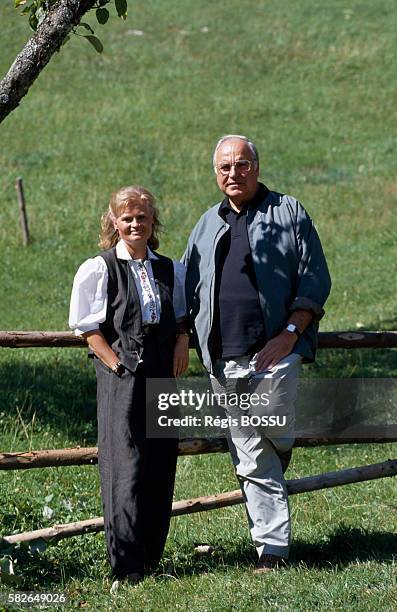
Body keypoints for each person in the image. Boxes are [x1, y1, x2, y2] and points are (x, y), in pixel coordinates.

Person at [183, 135, 331, 573]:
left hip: (278, 349)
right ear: (216, 174)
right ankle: (273, 549)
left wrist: (290, 332)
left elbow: (315, 277)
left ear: (257, 167)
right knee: (250, 453)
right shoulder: (206, 224)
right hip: (224, 356)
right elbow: (187, 287)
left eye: (242, 165)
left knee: (269, 429)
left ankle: (280, 447)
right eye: (225, 167)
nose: (234, 173)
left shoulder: (289, 212)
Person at [69, 185, 189, 583]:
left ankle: (152, 558)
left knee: (161, 461)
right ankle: (127, 566)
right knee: (127, 464)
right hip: (123, 378)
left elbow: (182, 314)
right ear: (114, 223)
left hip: (163, 377)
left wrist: (182, 340)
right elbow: (86, 327)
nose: (135, 223)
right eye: (127, 218)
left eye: (142, 216)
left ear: (153, 221)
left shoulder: (170, 268)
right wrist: (116, 364)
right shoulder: (101, 267)